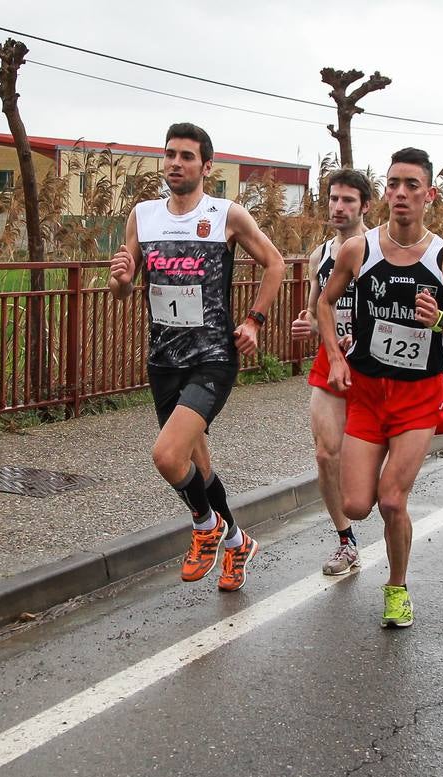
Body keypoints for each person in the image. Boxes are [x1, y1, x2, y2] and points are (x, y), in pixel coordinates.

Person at [108, 122, 284, 592]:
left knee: (167, 456)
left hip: (212, 357)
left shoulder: (226, 214)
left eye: (187, 156)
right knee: (198, 466)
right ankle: (237, 542)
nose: (175, 164)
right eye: (170, 155)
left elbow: (275, 263)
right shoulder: (142, 216)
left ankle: (206, 527)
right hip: (163, 359)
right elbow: (123, 291)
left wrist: (253, 321)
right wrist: (122, 278)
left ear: (207, 166)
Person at [315, 147, 443, 628]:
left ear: (429, 195)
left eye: (412, 185)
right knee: (356, 504)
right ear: (385, 193)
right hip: (367, 392)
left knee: (392, 500)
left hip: (418, 396)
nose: (401, 193)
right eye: (393, 184)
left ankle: (397, 588)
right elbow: (324, 305)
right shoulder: (359, 250)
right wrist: (334, 356)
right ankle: (367, 545)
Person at [290, 169, 372, 575]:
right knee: (325, 453)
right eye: (334, 199)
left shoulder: (378, 249)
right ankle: (345, 540)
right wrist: (307, 326)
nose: (339, 207)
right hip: (330, 360)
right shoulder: (319, 255)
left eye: (348, 201)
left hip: (374, 366)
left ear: (364, 206)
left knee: (371, 468)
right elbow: (313, 308)